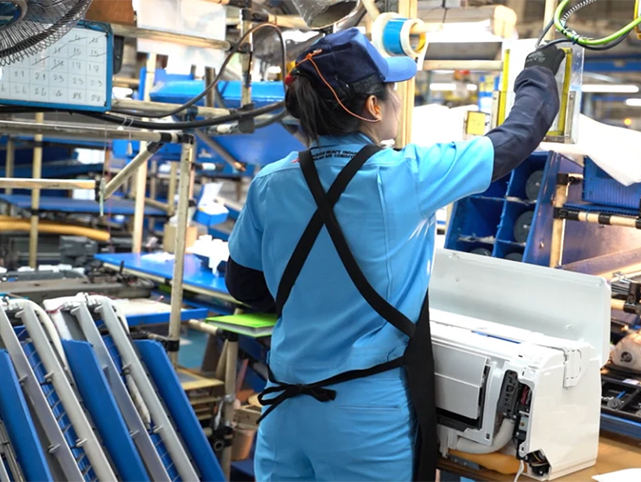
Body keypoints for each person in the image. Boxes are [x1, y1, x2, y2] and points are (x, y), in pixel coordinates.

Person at [225, 27, 564, 482]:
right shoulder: (406, 175)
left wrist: (315, 304)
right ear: (372, 107)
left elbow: (243, 284)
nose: (398, 101)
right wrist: (540, 72)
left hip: (284, 409)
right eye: (392, 91)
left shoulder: (270, 182)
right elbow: (516, 138)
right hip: (364, 420)